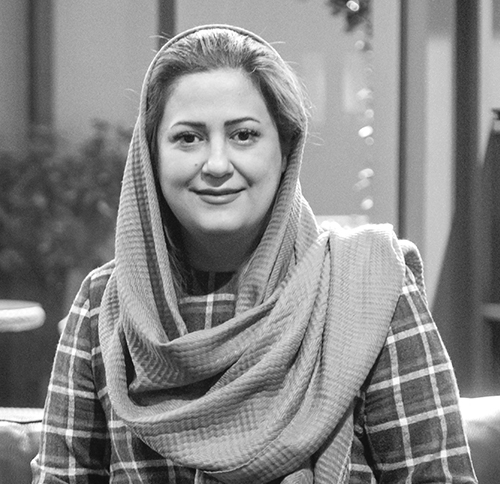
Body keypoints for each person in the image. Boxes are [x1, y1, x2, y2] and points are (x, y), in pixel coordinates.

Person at [32, 24, 477, 484]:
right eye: (188, 138)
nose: (217, 164)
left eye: (244, 135)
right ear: (151, 157)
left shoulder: (368, 286)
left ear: (285, 149)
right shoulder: (105, 304)